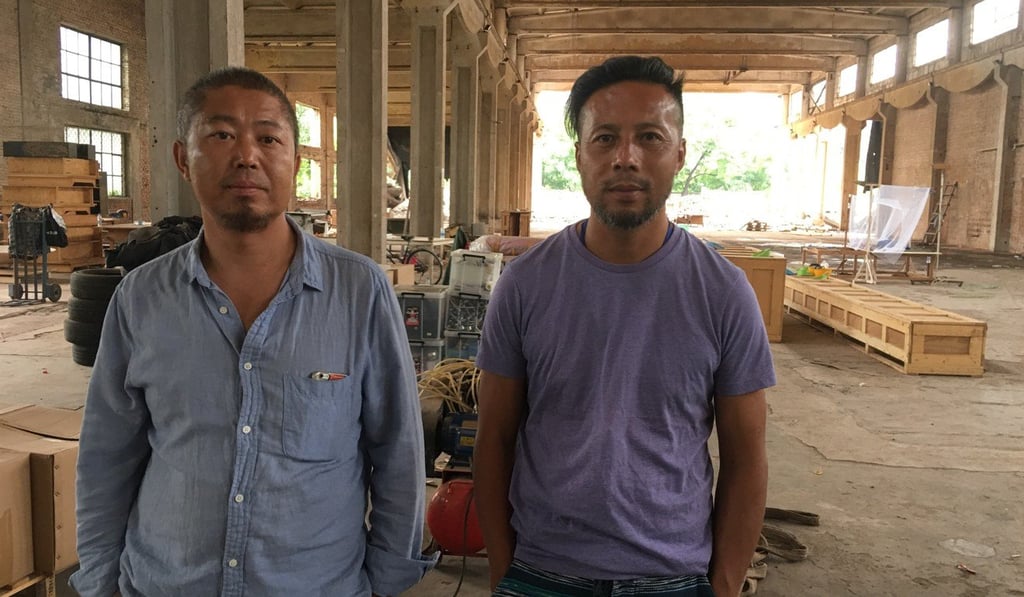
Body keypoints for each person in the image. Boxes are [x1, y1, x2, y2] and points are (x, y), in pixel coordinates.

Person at [71, 67, 435, 597]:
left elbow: (398, 450)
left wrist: (385, 580)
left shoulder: (359, 292)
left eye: (268, 138)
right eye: (221, 135)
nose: (247, 156)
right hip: (166, 583)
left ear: (293, 160)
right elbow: (106, 456)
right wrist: (101, 580)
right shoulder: (142, 298)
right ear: (181, 158)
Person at [473, 55, 775, 597]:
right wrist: (503, 573)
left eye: (650, 138)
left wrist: (724, 585)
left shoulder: (723, 292)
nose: (626, 158)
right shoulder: (525, 286)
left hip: (674, 575)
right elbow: (493, 439)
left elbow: (746, 456)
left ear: (679, 154)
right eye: (605, 138)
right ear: (579, 155)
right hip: (542, 569)